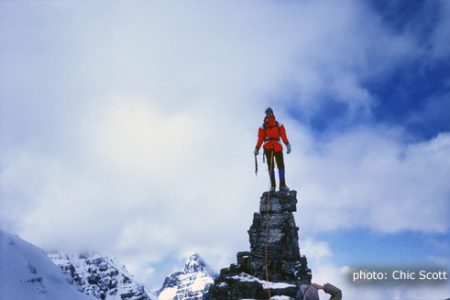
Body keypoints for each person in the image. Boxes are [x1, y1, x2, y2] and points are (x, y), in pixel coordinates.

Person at [254, 107, 291, 192]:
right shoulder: (263, 126)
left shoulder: (278, 124)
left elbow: (283, 135)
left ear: (272, 113)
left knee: (281, 166)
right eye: (267, 113)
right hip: (268, 147)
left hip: (276, 146)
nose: (268, 114)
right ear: (266, 114)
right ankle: (273, 186)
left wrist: (287, 144)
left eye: (269, 112)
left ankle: (282, 185)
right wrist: (257, 148)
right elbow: (260, 139)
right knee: (271, 167)